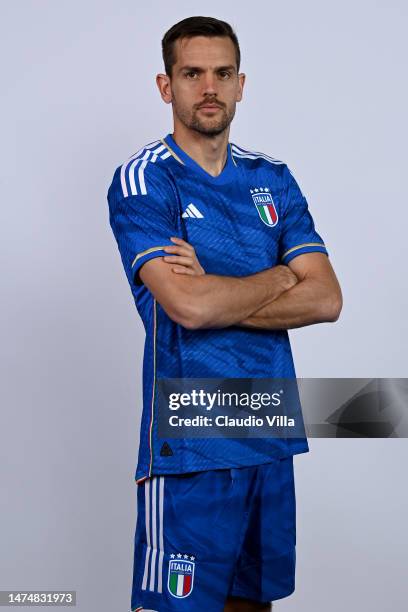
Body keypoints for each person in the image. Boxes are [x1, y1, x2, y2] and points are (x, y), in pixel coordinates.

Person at [107, 15, 342, 612]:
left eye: (222, 73)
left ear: (241, 83)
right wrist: (281, 273)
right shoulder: (145, 181)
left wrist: (218, 289)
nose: (208, 87)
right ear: (167, 87)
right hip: (190, 443)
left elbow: (326, 298)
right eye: (192, 73)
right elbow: (187, 307)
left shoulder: (273, 180)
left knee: (254, 604)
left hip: (269, 429)